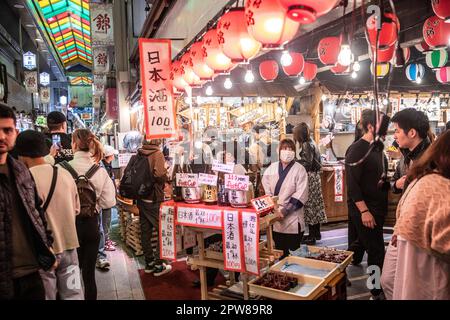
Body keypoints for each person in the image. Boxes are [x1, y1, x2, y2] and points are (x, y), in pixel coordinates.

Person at [381, 131, 450, 299]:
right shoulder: (441, 186)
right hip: (429, 267)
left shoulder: (425, 176)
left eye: (397, 130)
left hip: (411, 252)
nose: (394, 135)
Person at [15, 130, 83, 300]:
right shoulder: (65, 174)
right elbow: (77, 210)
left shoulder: (24, 180)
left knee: (46, 296)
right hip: (69, 247)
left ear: (21, 156)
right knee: (73, 295)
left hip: (43, 253)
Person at [0, 103, 55, 300]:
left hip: (32, 271)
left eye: (7, 130)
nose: (2, 137)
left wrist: (47, 245)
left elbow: (36, 210)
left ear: (16, 132)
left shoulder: (22, 171)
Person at [60, 129, 116, 300]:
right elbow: (109, 202)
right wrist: (95, 204)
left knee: (72, 274)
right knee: (89, 276)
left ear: (74, 144)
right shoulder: (99, 171)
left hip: (69, 228)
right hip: (92, 226)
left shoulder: (60, 169)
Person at [345, 109, 388, 300]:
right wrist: (364, 211)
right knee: (376, 250)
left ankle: (337, 269)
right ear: (371, 127)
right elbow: (352, 186)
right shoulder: (356, 149)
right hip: (365, 210)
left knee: (360, 245)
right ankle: (376, 290)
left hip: (377, 208)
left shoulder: (377, 148)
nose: (387, 131)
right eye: (383, 126)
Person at [262, 139, 308, 258]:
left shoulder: (300, 169)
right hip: (275, 217)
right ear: (279, 151)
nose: (287, 152)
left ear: (294, 152)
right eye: (284, 148)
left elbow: (301, 193)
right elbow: (266, 190)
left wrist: (285, 210)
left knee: (294, 255)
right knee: (280, 253)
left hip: (292, 218)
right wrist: (273, 208)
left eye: (291, 149)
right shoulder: (271, 168)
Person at [136, 139, 172, 276]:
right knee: (163, 230)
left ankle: (149, 263)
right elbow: (160, 175)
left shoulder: (140, 152)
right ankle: (158, 264)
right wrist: (166, 173)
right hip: (153, 198)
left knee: (145, 231)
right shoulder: (157, 153)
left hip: (141, 198)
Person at [293, 123, 327, 245]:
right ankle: (316, 233)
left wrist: (294, 162)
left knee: (311, 206)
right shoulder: (311, 141)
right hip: (315, 176)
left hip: (310, 177)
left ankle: (312, 236)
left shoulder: (307, 144)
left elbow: (307, 163)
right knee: (316, 205)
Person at [390, 109, 431, 194]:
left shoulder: (431, 158)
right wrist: (396, 184)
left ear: (412, 133)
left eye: (397, 131)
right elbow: (393, 180)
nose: (394, 136)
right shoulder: (406, 153)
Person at [96, 145, 119, 270]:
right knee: (104, 223)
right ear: (107, 156)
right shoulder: (102, 167)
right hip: (104, 201)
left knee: (106, 222)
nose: (114, 156)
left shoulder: (107, 166)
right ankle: (104, 244)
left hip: (107, 200)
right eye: (112, 155)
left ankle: (106, 240)